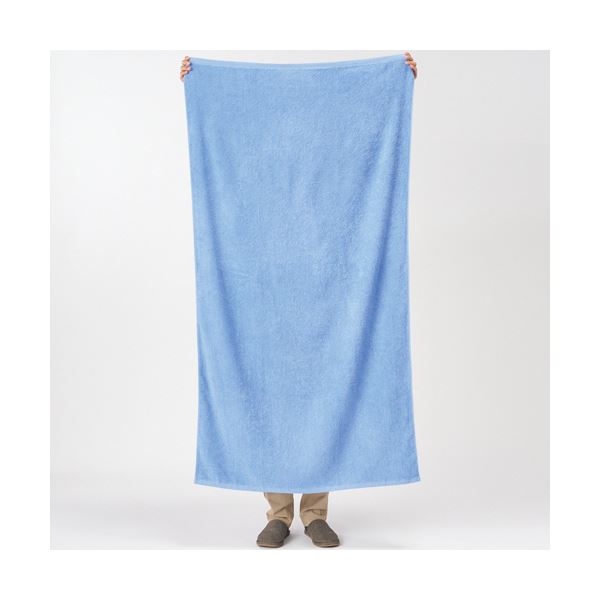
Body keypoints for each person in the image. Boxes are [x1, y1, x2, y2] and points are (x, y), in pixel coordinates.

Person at [180, 52, 418, 548]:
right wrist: (201, 84)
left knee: (324, 381)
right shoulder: (254, 135)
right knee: (267, 384)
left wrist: (394, 80)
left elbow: (356, 139)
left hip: (327, 270)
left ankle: (314, 512)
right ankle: (277, 512)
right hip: (261, 276)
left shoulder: (328, 134)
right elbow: (230, 140)